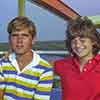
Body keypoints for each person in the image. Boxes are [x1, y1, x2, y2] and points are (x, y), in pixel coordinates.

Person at [0, 16, 53, 100]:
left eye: (24, 36)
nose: (19, 40)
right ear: (9, 39)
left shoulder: (45, 70)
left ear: (33, 40)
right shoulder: (2, 63)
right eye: (15, 35)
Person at [52, 16, 100, 100]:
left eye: (82, 40)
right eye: (74, 41)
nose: (77, 45)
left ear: (93, 41)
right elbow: (37, 67)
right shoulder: (63, 65)